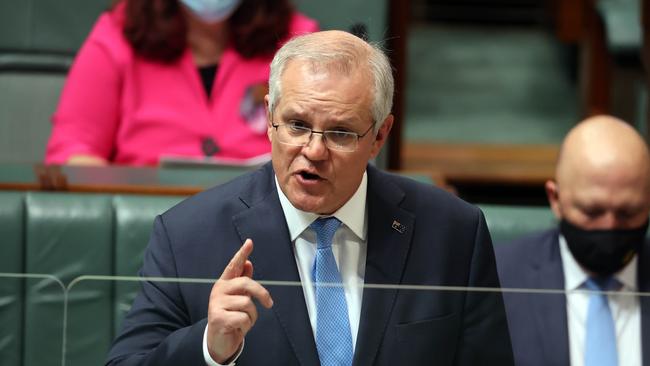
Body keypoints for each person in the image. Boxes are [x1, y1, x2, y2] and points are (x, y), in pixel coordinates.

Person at [106, 30, 513, 365]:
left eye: (340, 133)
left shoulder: (453, 233)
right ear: (269, 119)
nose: (314, 151)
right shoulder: (187, 236)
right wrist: (209, 348)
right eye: (297, 125)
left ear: (380, 136)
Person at [45, 0, 317, 166]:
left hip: (265, 230)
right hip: (143, 230)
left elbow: (328, 152)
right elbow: (72, 155)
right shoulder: (117, 34)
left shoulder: (302, 42)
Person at [495, 115, 650, 366]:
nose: (609, 226)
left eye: (628, 212)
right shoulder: (498, 280)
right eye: (592, 212)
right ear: (555, 199)